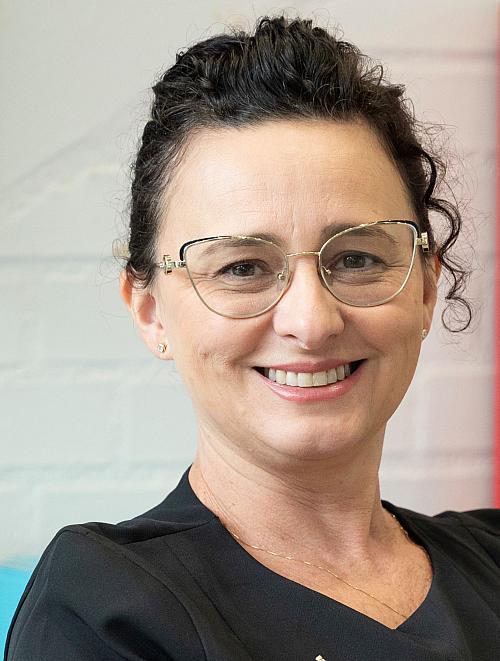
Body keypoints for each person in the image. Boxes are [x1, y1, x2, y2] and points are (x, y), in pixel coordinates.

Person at [4, 15, 499, 661]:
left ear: (425, 288)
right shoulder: (103, 608)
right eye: (242, 267)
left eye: (356, 258)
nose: (312, 321)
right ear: (151, 312)